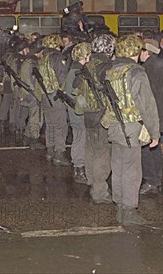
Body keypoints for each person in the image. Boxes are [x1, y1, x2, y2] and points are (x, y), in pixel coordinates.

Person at [102, 34, 160, 225]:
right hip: (132, 126)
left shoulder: (111, 71)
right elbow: (147, 105)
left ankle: (119, 205)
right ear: (137, 50)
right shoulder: (136, 72)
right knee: (132, 169)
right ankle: (129, 210)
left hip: (115, 125)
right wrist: (154, 132)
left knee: (117, 166)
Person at [75, 34, 115, 204]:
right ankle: (99, 191)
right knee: (102, 154)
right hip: (102, 115)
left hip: (88, 114)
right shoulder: (107, 67)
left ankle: (92, 181)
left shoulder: (86, 66)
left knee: (90, 150)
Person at [139, 38, 163, 195]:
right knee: (155, 148)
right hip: (161, 111)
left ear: (146, 52)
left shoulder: (147, 68)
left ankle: (151, 180)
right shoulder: (161, 64)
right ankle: (157, 177)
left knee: (146, 148)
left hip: (151, 113)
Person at [35, 34, 71, 166]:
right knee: (60, 126)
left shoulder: (43, 58)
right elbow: (62, 78)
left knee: (49, 125)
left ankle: (50, 151)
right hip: (56, 96)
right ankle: (59, 153)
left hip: (45, 95)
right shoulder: (57, 57)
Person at [66, 42, 91, 184]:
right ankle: (79, 169)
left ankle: (78, 166)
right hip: (79, 112)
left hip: (74, 110)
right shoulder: (79, 72)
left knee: (78, 138)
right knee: (81, 139)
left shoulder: (73, 70)